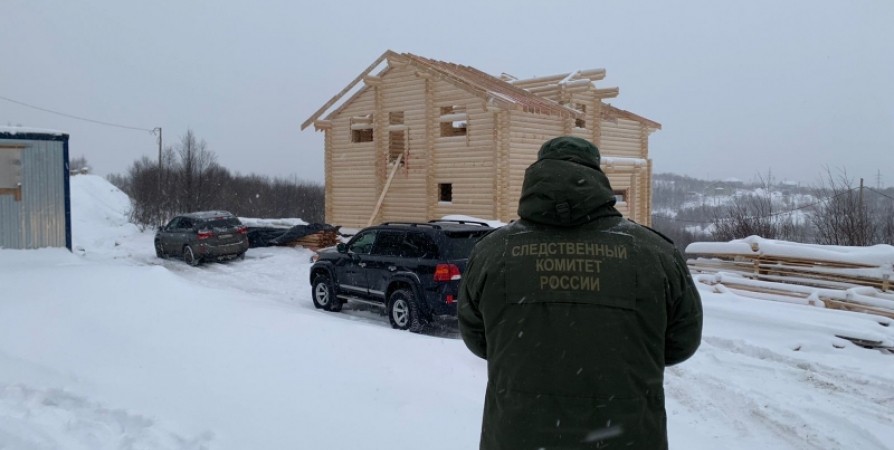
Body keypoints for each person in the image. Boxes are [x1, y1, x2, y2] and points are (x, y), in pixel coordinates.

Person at [458, 136, 703, 450]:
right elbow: (681, 343)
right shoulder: (655, 254)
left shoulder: (492, 252)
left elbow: (479, 340)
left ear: (537, 176)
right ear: (597, 176)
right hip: (625, 436)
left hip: (518, 435)